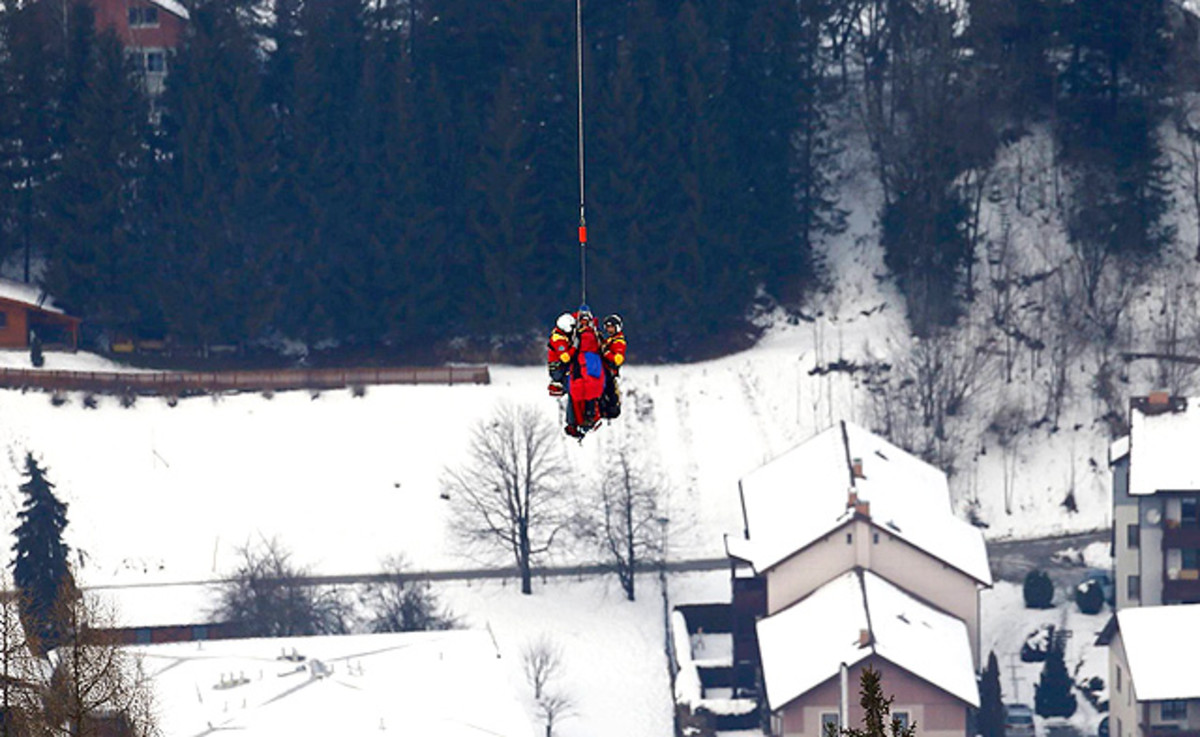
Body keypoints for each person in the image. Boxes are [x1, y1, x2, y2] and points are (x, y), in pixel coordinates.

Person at [564, 307, 606, 438]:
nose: (584, 323)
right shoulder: (578, 333)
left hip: (589, 363)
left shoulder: (592, 333)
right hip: (583, 363)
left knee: (588, 392)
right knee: (581, 394)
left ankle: (588, 416)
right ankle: (585, 418)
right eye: (582, 320)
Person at [599, 314, 625, 419]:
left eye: (611, 327)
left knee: (610, 392)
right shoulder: (610, 339)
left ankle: (610, 410)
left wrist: (606, 353)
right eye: (607, 327)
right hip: (603, 369)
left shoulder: (618, 341)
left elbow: (618, 359)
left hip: (609, 372)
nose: (609, 329)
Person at [546, 312, 576, 397]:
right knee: (572, 388)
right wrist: (574, 347)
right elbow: (565, 358)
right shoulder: (559, 341)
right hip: (558, 369)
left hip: (560, 368)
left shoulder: (560, 334)